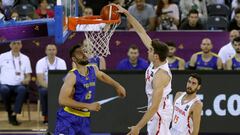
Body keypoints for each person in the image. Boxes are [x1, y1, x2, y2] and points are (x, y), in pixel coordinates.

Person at [115, 4, 173, 135]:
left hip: (159, 112)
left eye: (151, 50)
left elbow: (154, 107)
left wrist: (138, 127)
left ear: (156, 56)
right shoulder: (157, 59)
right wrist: (126, 13)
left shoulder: (161, 76)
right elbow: (141, 31)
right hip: (155, 110)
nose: (148, 50)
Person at [54, 44, 126, 134]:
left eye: (84, 51)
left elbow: (102, 76)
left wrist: (117, 86)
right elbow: (62, 100)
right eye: (80, 53)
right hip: (68, 118)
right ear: (74, 59)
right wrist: (88, 106)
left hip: (84, 118)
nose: (84, 54)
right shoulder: (72, 76)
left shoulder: (93, 69)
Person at [0, 40, 32, 125]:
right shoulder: (2, 56)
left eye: (18, 43)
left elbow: (28, 75)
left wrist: (27, 79)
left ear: (21, 45)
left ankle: (14, 114)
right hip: (4, 84)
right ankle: (9, 111)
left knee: (22, 90)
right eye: (14, 43)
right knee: (4, 90)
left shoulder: (25, 58)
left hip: (19, 84)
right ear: (10, 45)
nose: (16, 45)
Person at [36, 44, 67, 124]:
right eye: (49, 49)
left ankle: (60, 116)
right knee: (44, 92)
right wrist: (50, 87)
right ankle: (46, 116)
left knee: (64, 92)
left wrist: (56, 87)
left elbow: (63, 78)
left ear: (56, 51)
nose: (51, 51)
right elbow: (40, 80)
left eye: (53, 49)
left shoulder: (61, 62)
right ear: (46, 51)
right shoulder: (40, 62)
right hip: (45, 86)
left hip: (58, 86)